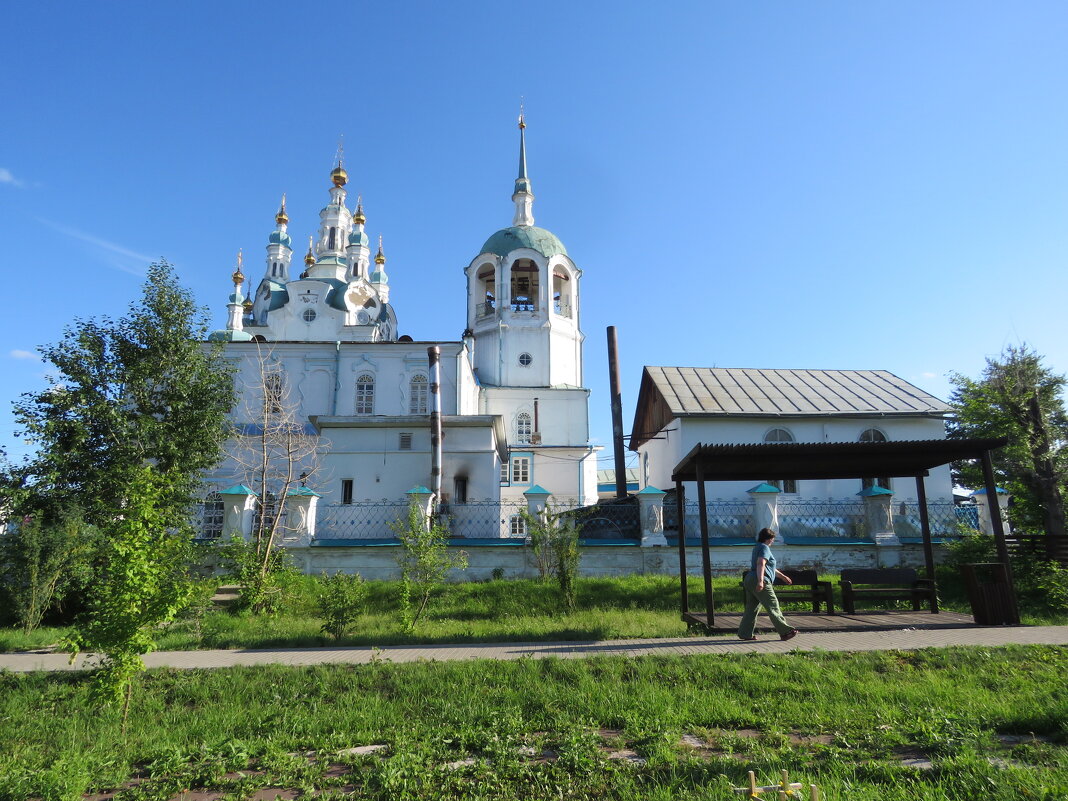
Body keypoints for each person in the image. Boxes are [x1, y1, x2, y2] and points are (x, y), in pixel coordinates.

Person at [738, 528, 798, 641]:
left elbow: (767, 567)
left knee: (752, 608)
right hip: (760, 579)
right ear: (769, 539)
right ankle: (786, 631)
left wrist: (783, 577)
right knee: (773, 605)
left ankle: (745, 633)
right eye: (773, 539)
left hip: (750, 578)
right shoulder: (765, 548)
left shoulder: (757, 547)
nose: (773, 541)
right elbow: (761, 563)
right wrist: (761, 581)